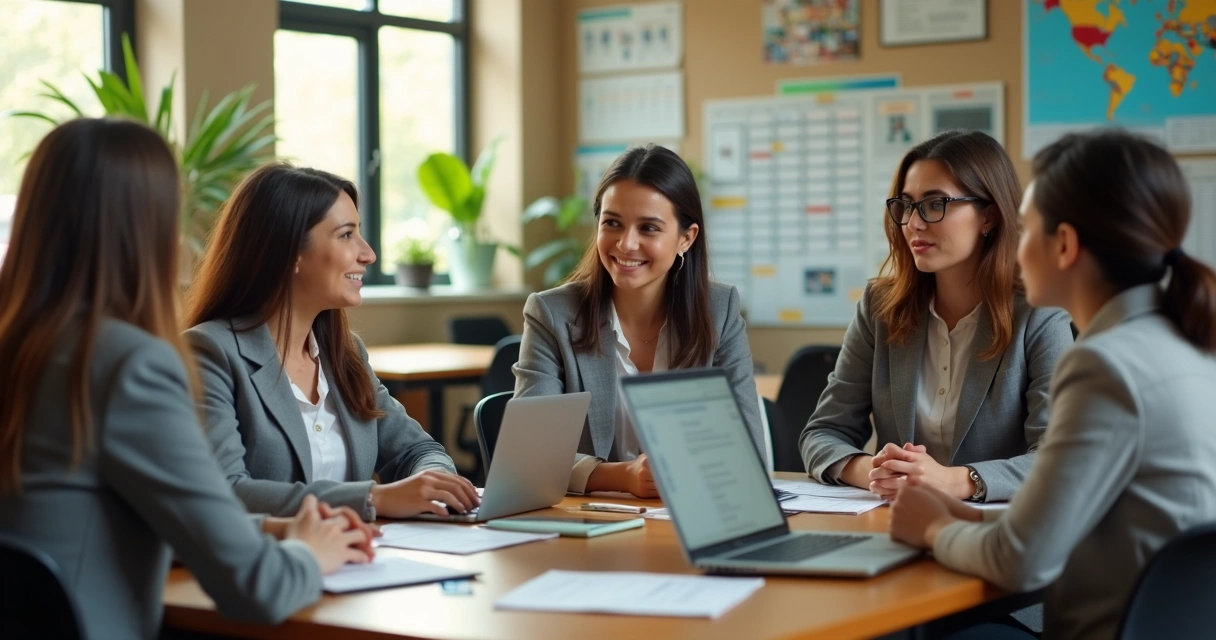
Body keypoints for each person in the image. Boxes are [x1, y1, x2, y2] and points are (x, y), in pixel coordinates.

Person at [0, 119, 374, 639]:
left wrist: (270, 527)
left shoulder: (24, 348)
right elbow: (255, 586)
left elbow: (115, 514)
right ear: (142, 230)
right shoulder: (127, 364)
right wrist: (311, 553)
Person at [890, 129, 1216, 640]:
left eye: (1026, 229)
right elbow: (1077, 522)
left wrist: (932, 529)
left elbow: (1022, 562)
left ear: (1063, 245)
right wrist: (971, 522)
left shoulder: (1105, 367)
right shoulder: (1189, 344)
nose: (1015, 250)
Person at [185, 163, 479, 520]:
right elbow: (226, 490)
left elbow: (418, 450)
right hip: (273, 568)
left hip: (366, 562)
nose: (368, 254)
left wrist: (437, 484)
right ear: (289, 251)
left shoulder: (345, 353)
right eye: (346, 235)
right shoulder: (210, 352)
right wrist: (373, 499)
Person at [800, 131, 1074, 502]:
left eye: (935, 204)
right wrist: (876, 471)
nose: (913, 223)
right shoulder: (880, 306)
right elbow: (822, 433)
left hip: (994, 533)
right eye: (906, 205)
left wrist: (958, 481)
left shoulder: (1040, 312)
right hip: (896, 523)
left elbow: (1058, 457)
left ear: (988, 215)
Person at [514, 144, 766, 498]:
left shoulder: (719, 310)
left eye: (649, 228)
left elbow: (748, 452)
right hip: (587, 527)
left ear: (686, 238)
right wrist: (624, 476)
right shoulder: (552, 314)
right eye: (612, 223)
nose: (625, 243)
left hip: (689, 520)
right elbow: (530, 455)